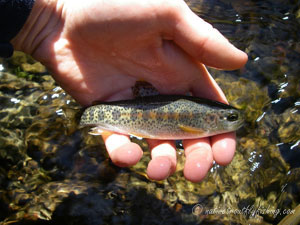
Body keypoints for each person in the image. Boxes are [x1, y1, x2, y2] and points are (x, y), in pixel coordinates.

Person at [1, 0, 247, 182]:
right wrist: (44, 18)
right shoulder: (201, 121)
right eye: (231, 117)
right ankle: (77, 120)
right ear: (211, 118)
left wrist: (44, 18)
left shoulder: (202, 118)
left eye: (232, 117)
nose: (235, 120)